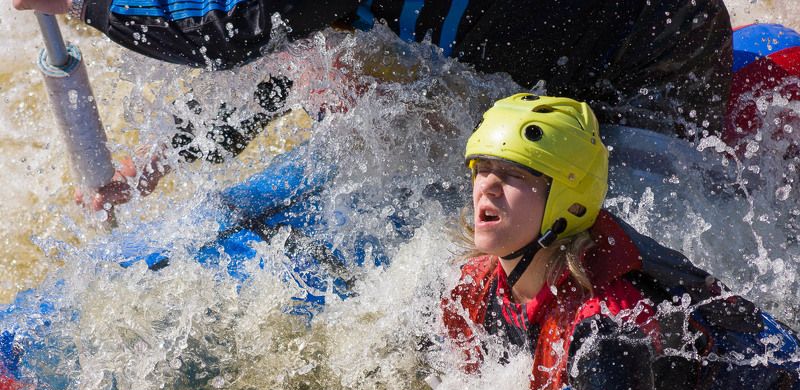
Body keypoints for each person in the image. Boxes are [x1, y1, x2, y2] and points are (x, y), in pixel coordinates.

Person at [13, 0, 733, 210]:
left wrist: (85, 4)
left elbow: (230, 33)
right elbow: (295, 61)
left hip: (653, 59)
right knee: (347, 76)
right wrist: (157, 166)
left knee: (594, 229)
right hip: (585, 54)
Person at [442, 93, 800, 390]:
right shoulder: (474, 287)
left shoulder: (607, 333)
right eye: (481, 168)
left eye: (514, 174)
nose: (486, 187)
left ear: (567, 200)